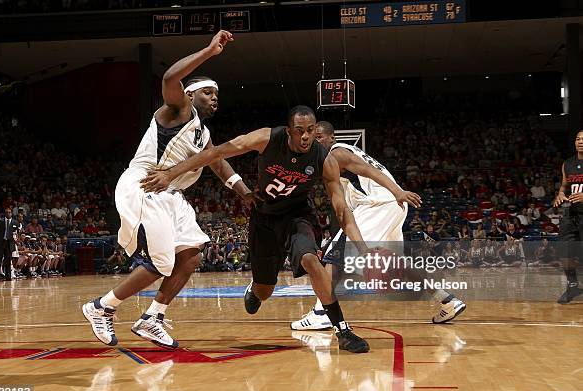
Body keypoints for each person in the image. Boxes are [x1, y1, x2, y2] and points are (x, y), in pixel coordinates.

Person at [141, 106, 371, 353]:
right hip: (263, 218)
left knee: (311, 261)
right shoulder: (267, 138)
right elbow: (217, 152)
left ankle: (343, 331)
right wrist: (170, 173)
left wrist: (364, 249)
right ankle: (256, 289)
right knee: (264, 290)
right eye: (300, 131)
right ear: (289, 131)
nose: (305, 136)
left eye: (310, 131)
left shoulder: (324, 160)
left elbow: (342, 211)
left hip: (296, 217)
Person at [82, 30, 256, 349]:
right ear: (189, 96)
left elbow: (218, 163)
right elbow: (169, 78)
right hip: (146, 184)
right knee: (162, 264)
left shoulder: (203, 134)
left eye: (216, 93)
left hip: (172, 195)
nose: (213, 97)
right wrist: (208, 51)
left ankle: (153, 317)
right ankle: (101, 306)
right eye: (206, 92)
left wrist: (246, 193)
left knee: (190, 255)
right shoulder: (177, 111)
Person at [290, 121, 465, 330]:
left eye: (319, 136)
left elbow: (368, 170)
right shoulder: (335, 157)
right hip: (391, 206)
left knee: (334, 256)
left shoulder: (337, 154)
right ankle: (447, 300)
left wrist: (398, 192)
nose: (314, 140)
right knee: (396, 264)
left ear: (331, 138)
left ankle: (322, 311)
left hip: (379, 205)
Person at [553, 131, 583, 303]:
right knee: (564, 251)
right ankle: (572, 286)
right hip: (570, 214)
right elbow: (564, 186)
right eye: (578, 139)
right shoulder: (568, 164)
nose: (580, 142)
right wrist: (560, 195)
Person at [0, 207, 18, 280]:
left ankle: (8, 276)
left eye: (9, 212)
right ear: (5, 213)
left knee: (8, 260)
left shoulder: (15, 222)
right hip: (0, 242)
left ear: (11, 213)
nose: (8, 213)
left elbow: (16, 233)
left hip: (9, 243)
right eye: (6, 212)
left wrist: (16, 241)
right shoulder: (0, 221)